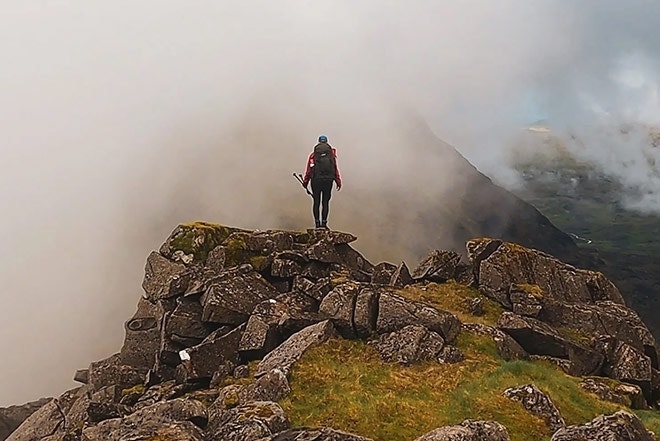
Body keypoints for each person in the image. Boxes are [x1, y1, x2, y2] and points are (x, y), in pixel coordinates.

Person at [302, 134, 342, 228]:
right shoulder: (331, 154)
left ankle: (317, 224)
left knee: (316, 201)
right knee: (325, 202)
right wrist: (338, 181)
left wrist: (305, 182)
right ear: (326, 142)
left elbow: (309, 169)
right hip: (328, 180)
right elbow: (335, 168)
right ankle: (324, 224)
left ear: (319, 142)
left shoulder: (313, 155)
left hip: (316, 180)